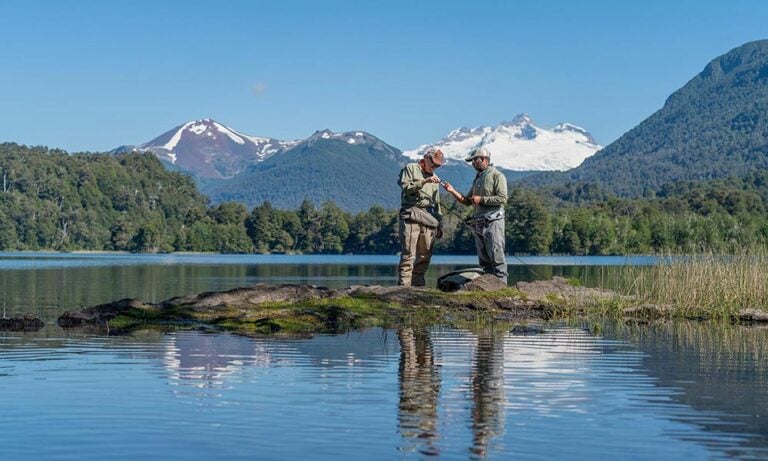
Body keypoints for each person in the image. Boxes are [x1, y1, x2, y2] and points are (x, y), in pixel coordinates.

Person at [442, 147, 508, 283]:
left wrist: (482, 199)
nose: (472, 164)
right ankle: (489, 289)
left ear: (483, 159)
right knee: (484, 261)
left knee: (497, 258)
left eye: (474, 160)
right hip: (478, 223)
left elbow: (503, 199)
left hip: (493, 222)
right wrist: (452, 190)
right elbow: (466, 201)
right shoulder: (477, 179)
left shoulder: (497, 176)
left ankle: (502, 288)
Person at [397, 147, 445, 287]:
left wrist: (439, 223)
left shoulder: (435, 178)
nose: (435, 167)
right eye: (434, 164)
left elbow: (437, 203)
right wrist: (424, 181)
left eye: (438, 165)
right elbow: (406, 188)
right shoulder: (410, 168)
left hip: (429, 217)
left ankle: (418, 287)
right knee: (408, 255)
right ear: (426, 159)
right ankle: (403, 289)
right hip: (411, 214)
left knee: (425, 256)